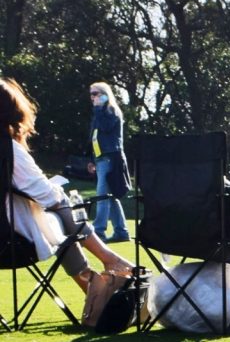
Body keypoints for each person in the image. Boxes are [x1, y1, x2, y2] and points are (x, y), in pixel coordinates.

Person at [4, 78, 134, 292]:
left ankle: (97, 281)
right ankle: (103, 270)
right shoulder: (9, 151)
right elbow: (48, 196)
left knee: (63, 211)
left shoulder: (111, 113)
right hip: (11, 241)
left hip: (9, 234)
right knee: (62, 205)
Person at [87, 82, 130, 241]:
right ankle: (121, 232)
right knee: (110, 197)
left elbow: (105, 128)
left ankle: (98, 232)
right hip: (101, 158)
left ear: (105, 94)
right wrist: (92, 160)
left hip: (110, 158)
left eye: (96, 93)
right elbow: (95, 137)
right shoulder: (99, 112)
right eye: (91, 94)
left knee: (102, 196)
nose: (93, 97)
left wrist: (98, 108)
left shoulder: (111, 111)